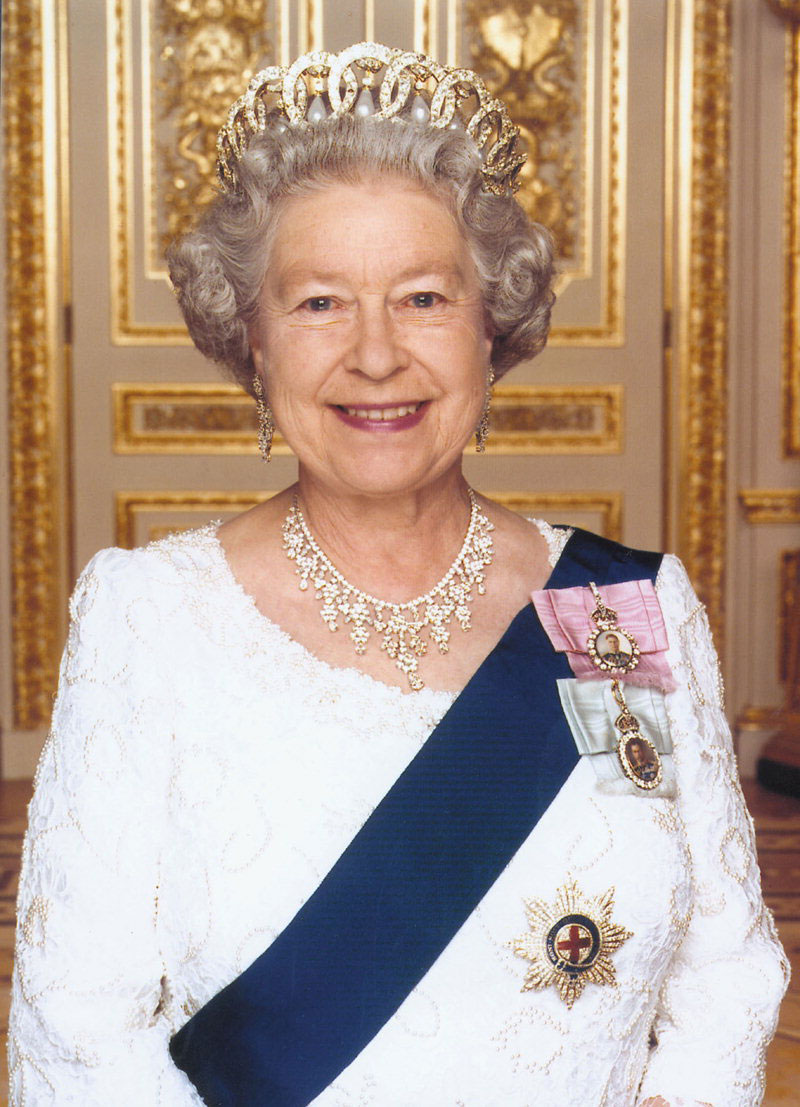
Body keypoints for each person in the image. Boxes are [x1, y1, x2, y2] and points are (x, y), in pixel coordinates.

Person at [8, 41, 788, 1107]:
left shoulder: (604, 612)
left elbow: (722, 971)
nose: (375, 355)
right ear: (253, 342)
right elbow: (78, 1033)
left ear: (489, 329)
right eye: (318, 303)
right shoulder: (149, 619)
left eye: (423, 298)